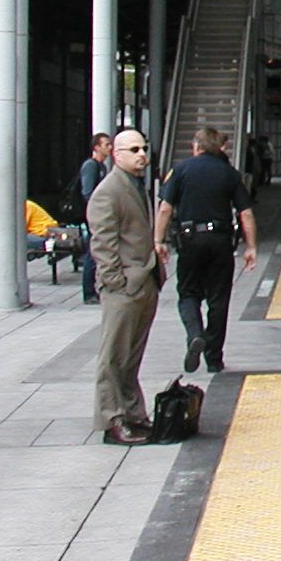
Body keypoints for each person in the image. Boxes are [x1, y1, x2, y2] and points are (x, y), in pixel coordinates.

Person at [155, 127, 257, 375]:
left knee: (188, 292)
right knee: (218, 299)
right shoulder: (230, 174)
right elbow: (245, 213)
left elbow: (166, 208)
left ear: (197, 147)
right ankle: (214, 359)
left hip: (190, 240)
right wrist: (251, 246)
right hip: (221, 241)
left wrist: (158, 240)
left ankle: (194, 335)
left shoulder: (180, 170)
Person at [87, 129, 161, 446]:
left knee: (131, 356)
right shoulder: (108, 191)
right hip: (125, 286)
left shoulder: (136, 185)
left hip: (143, 281)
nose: (142, 154)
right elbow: (103, 243)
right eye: (134, 149)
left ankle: (132, 413)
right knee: (113, 356)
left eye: (144, 148)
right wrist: (117, 281)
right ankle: (112, 418)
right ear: (117, 155)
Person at [80, 133, 113, 304]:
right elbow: (87, 192)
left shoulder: (102, 167)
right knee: (92, 253)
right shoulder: (91, 166)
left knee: (96, 252)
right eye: (106, 144)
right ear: (97, 147)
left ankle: (94, 288)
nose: (110, 148)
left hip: (99, 213)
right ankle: (88, 291)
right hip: (94, 215)